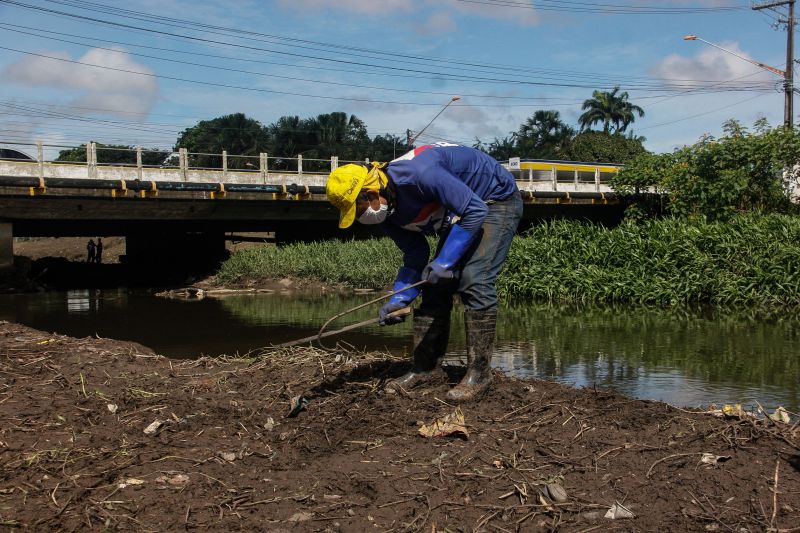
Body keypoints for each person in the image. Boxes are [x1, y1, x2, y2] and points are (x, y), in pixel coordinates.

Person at [326, 143, 523, 401]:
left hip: (494, 200)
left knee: (475, 279)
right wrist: (399, 298)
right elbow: (415, 254)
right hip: (461, 212)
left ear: (371, 194)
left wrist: (444, 262)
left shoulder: (422, 173)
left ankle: (480, 375)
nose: (362, 218)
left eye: (359, 210)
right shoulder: (387, 214)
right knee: (433, 285)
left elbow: (475, 211)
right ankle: (426, 370)